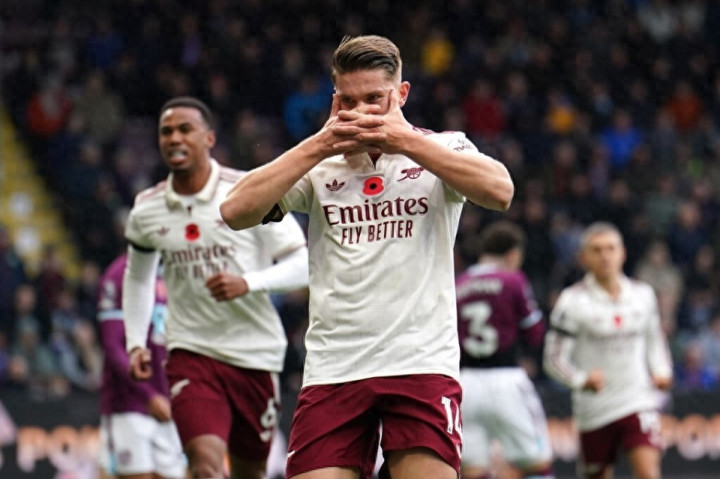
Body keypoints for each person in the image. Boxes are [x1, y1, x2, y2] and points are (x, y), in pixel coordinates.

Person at [221, 35, 514, 479]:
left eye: (375, 99)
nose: (362, 112)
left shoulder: (444, 147)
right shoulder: (321, 164)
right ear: (334, 100)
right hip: (334, 368)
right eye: (349, 100)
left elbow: (500, 191)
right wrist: (319, 144)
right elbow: (234, 211)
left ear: (402, 93)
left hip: (420, 363)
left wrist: (405, 141)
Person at [123, 96, 309, 479]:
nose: (175, 138)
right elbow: (138, 276)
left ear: (209, 138)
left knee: (249, 473)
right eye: (166, 131)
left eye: (185, 129)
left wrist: (249, 283)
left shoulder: (248, 191)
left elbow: (303, 263)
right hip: (191, 351)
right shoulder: (147, 208)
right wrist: (136, 341)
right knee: (205, 466)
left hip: (254, 355)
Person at [543, 222, 673, 479]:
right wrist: (580, 380)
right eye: (597, 250)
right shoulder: (571, 302)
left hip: (638, 400)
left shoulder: (643, 295)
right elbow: (553, 359)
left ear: (622, 253)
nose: (605, 256)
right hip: (594, 410)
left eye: (611, 249)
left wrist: (662, 370)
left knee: (648, 473)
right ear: (583, 258)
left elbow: (655, 340)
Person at [455, 221, 554, 479]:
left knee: (473, 469)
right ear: (513, 254)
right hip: (506, 378)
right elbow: (534, 332)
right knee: (537, 461)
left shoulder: (459, 283)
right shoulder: (512, 280)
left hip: (466, 383)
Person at [97, 253, 186, 479]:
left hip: (170, 402)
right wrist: (149, 395)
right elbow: (113, 345)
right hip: (129, 404)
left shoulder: (179, 270)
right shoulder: (118, 274)